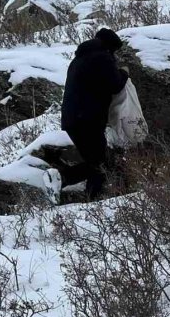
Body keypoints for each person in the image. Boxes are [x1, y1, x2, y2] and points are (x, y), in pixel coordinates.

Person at [51, 27, 129, 200]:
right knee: (99, 163)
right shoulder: (102, 57)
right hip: (89, 120)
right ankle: (90, 199)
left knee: (95, 161)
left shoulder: (78, 59)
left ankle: (64, 180)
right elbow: (115, 84)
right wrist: (124, 73)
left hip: (72, 120)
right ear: (110, 47)